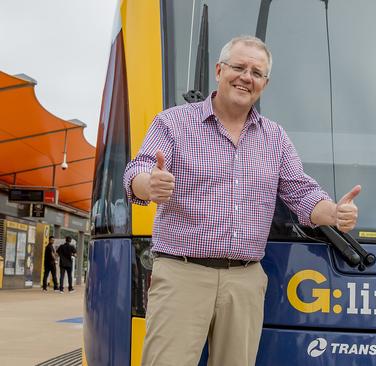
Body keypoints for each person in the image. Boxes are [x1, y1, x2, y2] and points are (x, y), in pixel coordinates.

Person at [123, 35, 360, 366]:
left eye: (256, 72)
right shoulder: (173, 122)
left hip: (245, 280)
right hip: (182, 273)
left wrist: (334, 213)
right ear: (219, 70)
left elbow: (302, 193)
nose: (246, 77)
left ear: (264, 83)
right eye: (239, 67)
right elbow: (139, 170)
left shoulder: (275, 138)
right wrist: (150, 185)